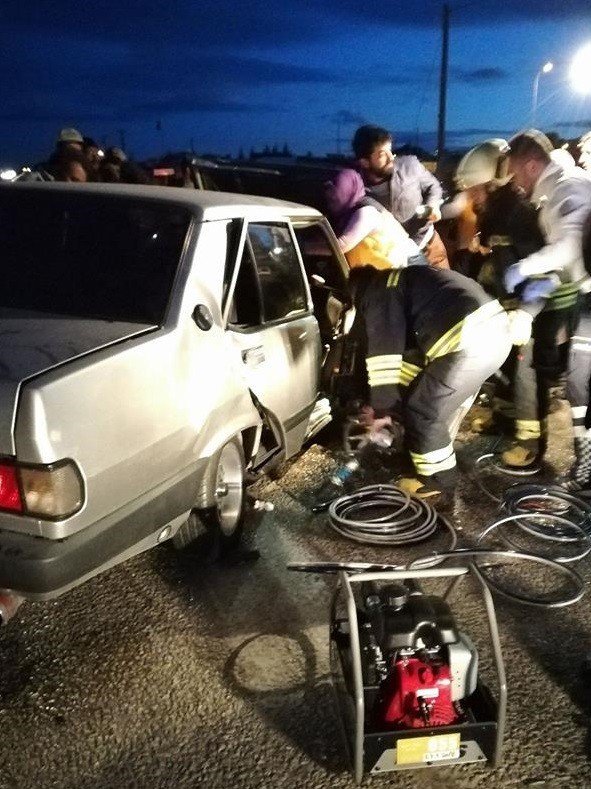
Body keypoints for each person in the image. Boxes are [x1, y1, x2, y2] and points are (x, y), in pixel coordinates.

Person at [349, 264, 513, 501]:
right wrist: (395, 404)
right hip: (493, 333)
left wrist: (383, 410)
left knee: (424, 412)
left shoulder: (378, 291)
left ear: (357, 293)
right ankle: (426, 466)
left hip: (469, 339)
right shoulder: (404, 282)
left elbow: (384, 355)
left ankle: (437, 484)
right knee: (423, 402)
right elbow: (412, 356)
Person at [454, 138, 559, 470]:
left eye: (476, 190)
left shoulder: (520, 214)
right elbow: (496, 258)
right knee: (504, 368)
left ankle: (530, 444)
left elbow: (547, 271)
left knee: (527, 374)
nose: (472, 197)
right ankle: (503, 419)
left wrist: (526, 314)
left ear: (495, 182)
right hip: (504, 305)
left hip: (528, 310)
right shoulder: (497, 214)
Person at [501, 130, 591, 467]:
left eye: (514, 172)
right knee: (579, 381)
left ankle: (584, 469)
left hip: (587, 296)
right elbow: (576, 253)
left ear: (533, 164)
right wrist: (550, 279)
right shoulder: (556, 190)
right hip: (581, 291)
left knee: (580, 380)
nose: (513, 183)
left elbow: (570, 245)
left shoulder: (565, 188)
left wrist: (526, 268)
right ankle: (584, 469)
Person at [352, 124, 449, 269]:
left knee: (446, 288)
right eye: (382, 154)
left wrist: (433, 205)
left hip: (429, 246)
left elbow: (433, 186)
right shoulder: (356, 187)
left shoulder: (409, 165)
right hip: (393, 259)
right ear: (364, 162)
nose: (391, 158)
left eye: (390, 151)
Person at [324, 169, 427, 269]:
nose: (330, 200)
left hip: (409, 264)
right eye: (329, 199)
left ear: (347, 192)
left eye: (336, 196)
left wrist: (308, 247)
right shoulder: (345, 214)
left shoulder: (366, 212)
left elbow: (342, 245)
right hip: (391, 266)